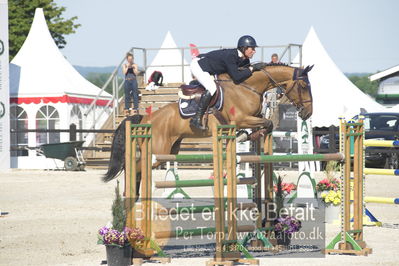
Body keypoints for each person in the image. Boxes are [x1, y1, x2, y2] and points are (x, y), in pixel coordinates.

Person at [189, 35, 264, 129]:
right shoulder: (231, 56)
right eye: (252, 48)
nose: (254, 51)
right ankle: (196, 118)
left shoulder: (245, 59)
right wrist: (252, 68)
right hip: (199, 66)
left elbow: (244, 75)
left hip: (210, 69)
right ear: (244, 48)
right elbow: (237, 77)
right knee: (211, 88)